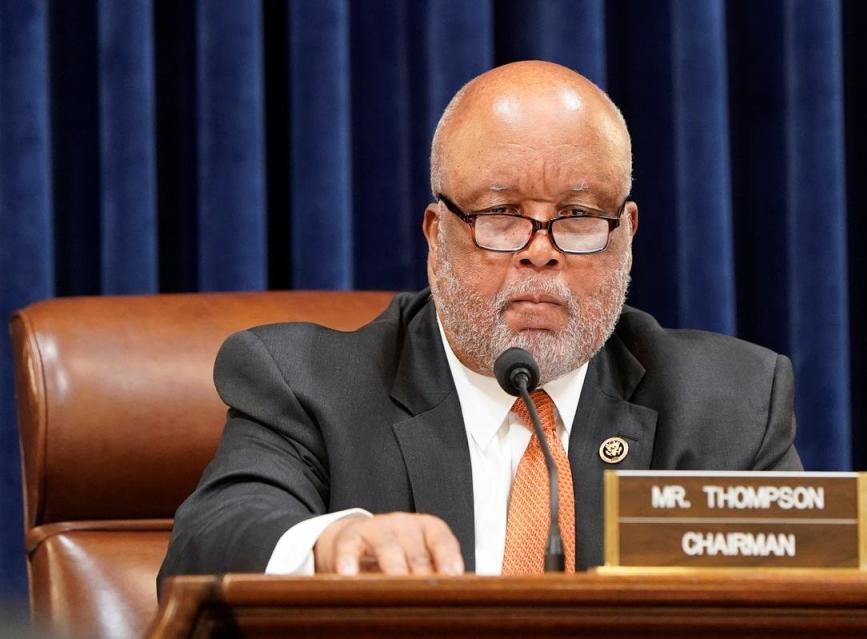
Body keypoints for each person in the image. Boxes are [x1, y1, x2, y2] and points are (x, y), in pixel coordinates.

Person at [158, 60, 802, 585]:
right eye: (501, 215)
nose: (540, 250)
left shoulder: (730, 404)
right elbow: (211, 540)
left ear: (625, 235)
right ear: (438, 234)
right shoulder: (309, 386)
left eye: (578, 215)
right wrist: (334, 542)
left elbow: (802, 599)